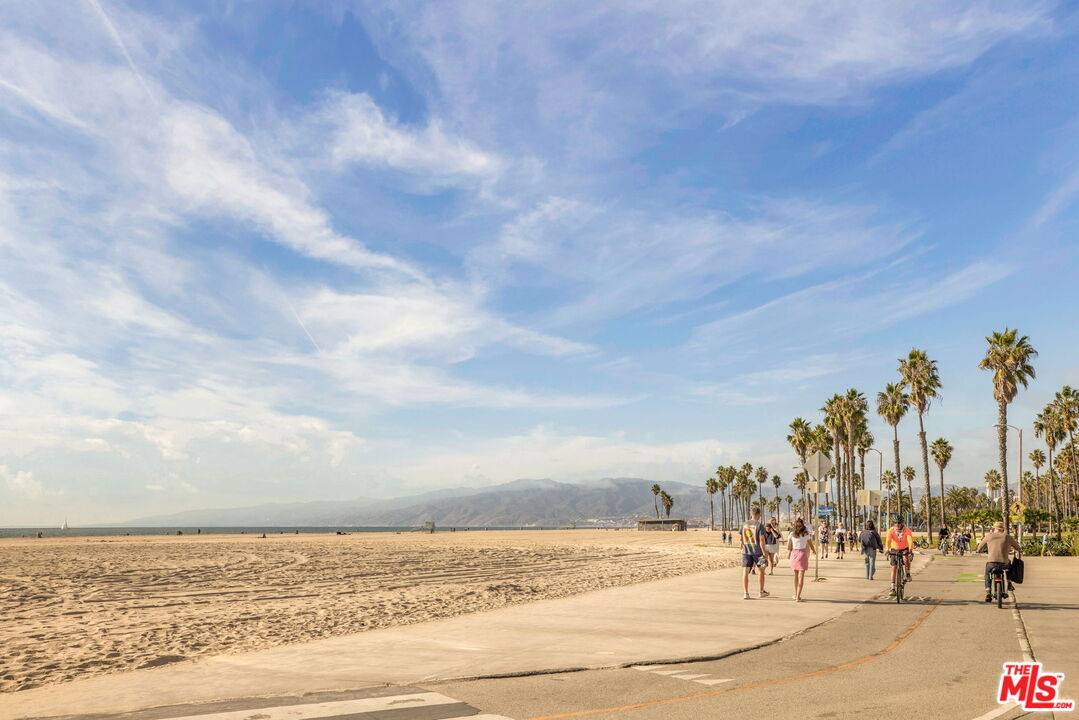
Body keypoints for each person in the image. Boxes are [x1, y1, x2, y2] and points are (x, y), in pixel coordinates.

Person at [976, 521, 1022, 602]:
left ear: (994, 529)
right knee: (1009, 566)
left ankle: (988, 591)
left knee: (987, 573)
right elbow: (1017, 547)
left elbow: (980, 547)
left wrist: (978, 551)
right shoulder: (1007, 537)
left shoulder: (989, 536)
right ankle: (1009, 583)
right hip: (1004, 563)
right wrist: (1018, 550)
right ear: (1003, 529)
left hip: (992, 562)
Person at [740, 507, 769, 599]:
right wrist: (765, 553)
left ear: (751, 514)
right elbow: (761, 540)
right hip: (758, 552)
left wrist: (743, 548)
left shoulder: (744, 524)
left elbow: (741, 539)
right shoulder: (759, 525)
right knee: (761, 570)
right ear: (758, 515)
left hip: (746, 551)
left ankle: (746, 593)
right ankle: (761, 591)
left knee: (745, 571)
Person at [883, 517, 915, 596]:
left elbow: (910, 540)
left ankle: (907, 573)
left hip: (905, 548)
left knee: (906, 558)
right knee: (894, 567)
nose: (897, 524)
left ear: (902, 523)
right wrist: (887, 549)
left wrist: (910, 550)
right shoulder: (891, 530)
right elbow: (888, 541)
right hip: (894, 549)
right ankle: (892, 588)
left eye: (899, 523)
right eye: (895, 522)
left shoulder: (907, 530)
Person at [787, 518, 816, 602]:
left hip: (794, 554)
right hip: (802, 554)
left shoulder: (792, 534)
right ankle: (798, 596)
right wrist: (814, 551)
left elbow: (788, 547)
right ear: (803, 525)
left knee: (796, 576)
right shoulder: (806, 534)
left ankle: (796, 594)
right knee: (801, 577)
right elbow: (810, 545)